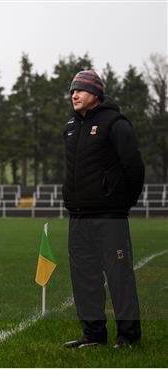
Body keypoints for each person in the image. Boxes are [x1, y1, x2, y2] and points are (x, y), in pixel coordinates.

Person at [62, 71, 144, 349]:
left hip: (109, 218)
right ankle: (93, 335)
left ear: (96, 94)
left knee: (119, 276)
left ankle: (129, 337)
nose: (74, 94)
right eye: (72, 90)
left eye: (81, 90)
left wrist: (121, 204)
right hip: (78, 217)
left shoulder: (115, 123)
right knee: (84, 278)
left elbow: (134, 167)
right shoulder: (71, 127)